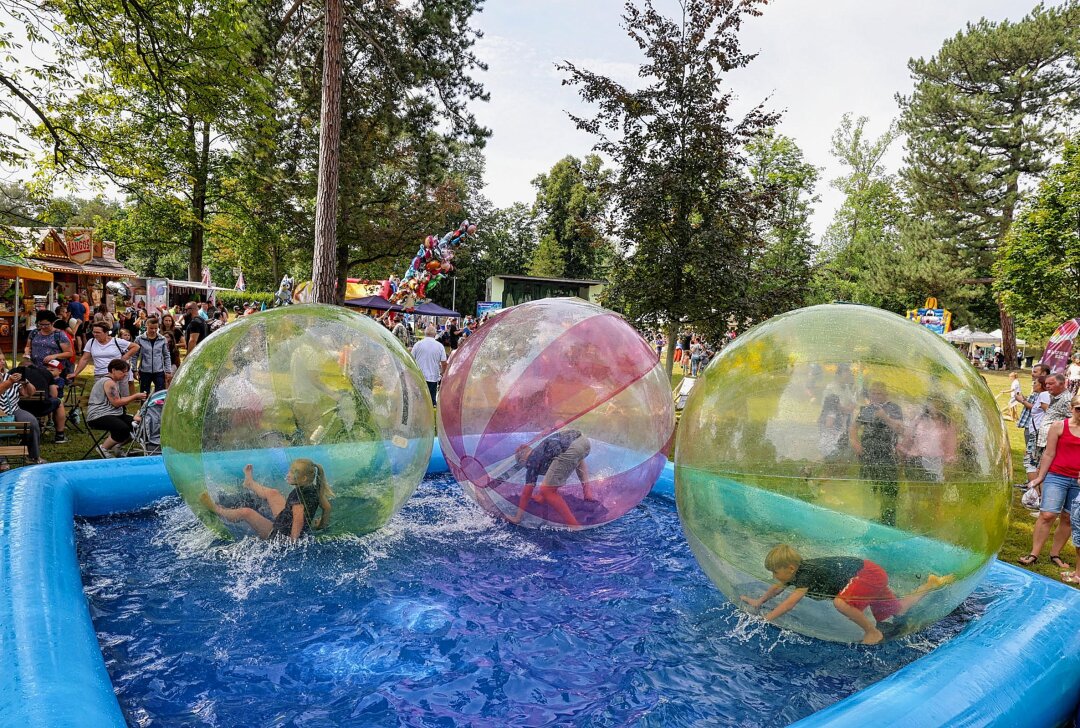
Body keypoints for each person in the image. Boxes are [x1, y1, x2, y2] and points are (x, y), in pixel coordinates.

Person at [739, 544, 955, 645]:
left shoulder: (804, 575)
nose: (774, 576)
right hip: (871, 572)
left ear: (791, 568)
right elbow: (777, 589)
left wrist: (766, 619)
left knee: (841, 603)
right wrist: (759, 602)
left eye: (775, 571)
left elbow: (789, 604)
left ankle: (872, 632)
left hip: (867, 574)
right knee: (897, 610)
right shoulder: (796, 573)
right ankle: (930, 584)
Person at [199, 460, 333, 542]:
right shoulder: (316, 489)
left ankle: (216, 509)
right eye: (290, 470)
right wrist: (321, 525)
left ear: (303, 479)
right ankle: (250, 483)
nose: (288, 474)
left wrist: (292, 542)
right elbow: (327, 508)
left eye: (293, 472)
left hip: (280, 535)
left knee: (246, 512)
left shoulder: (298, 497)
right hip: (285, 520)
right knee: (272, 493)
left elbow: (298, 519)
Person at [1020, 390, 1080, 570]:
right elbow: (1049, 453)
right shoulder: (1058, 426)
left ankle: (1055, 554)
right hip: (1057, 476)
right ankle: (1034, 553)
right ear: (1071, 408)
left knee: (1069, 518)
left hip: (1077, 481)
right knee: (1047, 514)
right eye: (1078, 408)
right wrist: (1040, 477)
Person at [508, 429, 594, 527]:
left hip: (571, 448)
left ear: (523, 460)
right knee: (576, 457)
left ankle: (574, 525)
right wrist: (541, 497)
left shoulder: (531, 460)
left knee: (547, 490)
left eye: (523, 465)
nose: (526, 467)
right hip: (583, 441)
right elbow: (555, 472)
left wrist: (517, 518)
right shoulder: (542, 451)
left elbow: (526, 493)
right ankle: (587, 493)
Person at [850, 382, 904, 526]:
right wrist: (855, 443)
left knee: (888, 489)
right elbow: (854, 427)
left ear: (886, 394)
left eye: (878, 393)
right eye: (873, 393)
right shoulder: (867, 409)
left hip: (887, 454)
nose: (875, 396)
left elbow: (900, 429)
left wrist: (885, 417)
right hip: (868, 454)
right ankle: (869, 519)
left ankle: (888, 521)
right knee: (869, 488)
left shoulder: (894, 408)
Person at [86, 359, 147, 458]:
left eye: (126, 372)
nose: (125, 374)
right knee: (122, 428)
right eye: (122, 372)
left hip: (113, 414)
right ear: (113, 370)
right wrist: (135, 396)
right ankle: (103, 449)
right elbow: (116, 403)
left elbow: (117, 400)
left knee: (136, 425)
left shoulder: (113, 382)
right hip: (98, 416)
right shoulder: (109, 382)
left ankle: (117, 446)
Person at [69, 322, 139, 397]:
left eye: (98, 332)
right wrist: (75, 373)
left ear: (106, 333)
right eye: (94, 332)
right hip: (100, 374)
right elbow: (84, 359)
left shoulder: (116, 341)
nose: (95, 334)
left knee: (120, 398)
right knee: (101, 398)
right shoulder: (91, 342)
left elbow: (136, 346)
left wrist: (124, 358)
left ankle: (122, 408)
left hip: (118, 375)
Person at [0, 366, 45, 467]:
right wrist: (9, 382)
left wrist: (26, 382)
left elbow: (29, 393)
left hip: (13, 409)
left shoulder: (9, 376)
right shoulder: (10, 380)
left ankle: (33, 456)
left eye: (2, 360)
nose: (1, 362)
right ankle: (1, 460)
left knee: (31, 421)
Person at [13, 363, 67, 444]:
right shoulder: (46, 373)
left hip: (20, 409)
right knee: (59, 402)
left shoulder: (14, 372)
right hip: (41, 407)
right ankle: (60, 436)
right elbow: (54, 395)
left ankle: (22, 435)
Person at [1016, 376, 1051, 489]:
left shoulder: (1044, 395)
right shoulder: (1045, 395)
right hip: (1038, 432)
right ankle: (1038, 492)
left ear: (1041, 384)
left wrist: (1022, 400)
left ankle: (1035, 493)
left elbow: (1049, 413)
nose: (1033, 384)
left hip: (1039, 434)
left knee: (1031, 461)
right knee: (1037, 461)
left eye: (1035, 383)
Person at [23, 310, 74, 379]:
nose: (43, 327)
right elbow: (28, 346)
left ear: (52, 323)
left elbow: (69, 353)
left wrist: (54, 356)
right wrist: (27, 352)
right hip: (35, 369)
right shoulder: (34, 333)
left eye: (46, 325)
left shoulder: (59, 335)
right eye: (40, 324)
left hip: (52, 372)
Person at [134, 317, 172, 394]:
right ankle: (144, 406)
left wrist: (168, 371)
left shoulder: (162, 339)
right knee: (144, 394)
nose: (153, 330)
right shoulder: (139, 339)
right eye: (151, 328)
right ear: (146, 326)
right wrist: (134, 369)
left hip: (159, 371)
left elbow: (166, 356)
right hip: (144, 371)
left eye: (156, 328)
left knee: (160, 394)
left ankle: (159, 406)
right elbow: (135, 355)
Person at [411, 324, 447, 405]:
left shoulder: (417, 344)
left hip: (419, 376)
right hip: (433, 376)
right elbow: (444, 363)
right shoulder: (440, 346)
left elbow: (411, 359)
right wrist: (442, 373)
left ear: (425, 333)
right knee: (430, 401)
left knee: (419, 400)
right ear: (435, 334)